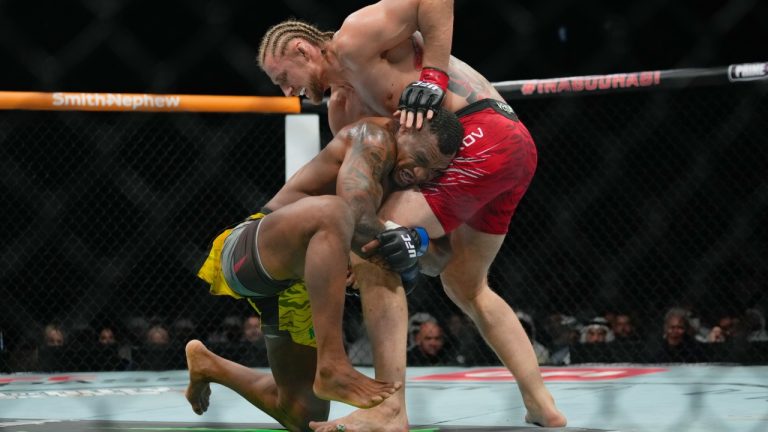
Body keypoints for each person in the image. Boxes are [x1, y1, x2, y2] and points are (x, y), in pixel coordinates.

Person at [257, 1, 567, 429]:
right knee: (465, 284)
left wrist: (433, 78)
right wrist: (396, 239)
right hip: (502, 154)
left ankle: (388, 410)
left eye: (282, 79)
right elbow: (376, 190)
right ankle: (541, 405)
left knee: (372, 250)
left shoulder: (356, 37)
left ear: (302, 51)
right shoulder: (341, 111)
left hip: (483, 132)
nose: (286, 92)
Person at [186, 109, 463, 430]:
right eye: (422, 157)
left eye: (434, 169)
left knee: (301, 415)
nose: (420, 173)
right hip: (251, 253)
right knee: (335, 212)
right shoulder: (371, 138)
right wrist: (395, 244)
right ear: (404, 125)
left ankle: (209, 366)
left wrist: (416, 239)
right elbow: (357, 215)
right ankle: (333, 363)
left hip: (300, 288)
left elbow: (442, 257)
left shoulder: (414, 181)